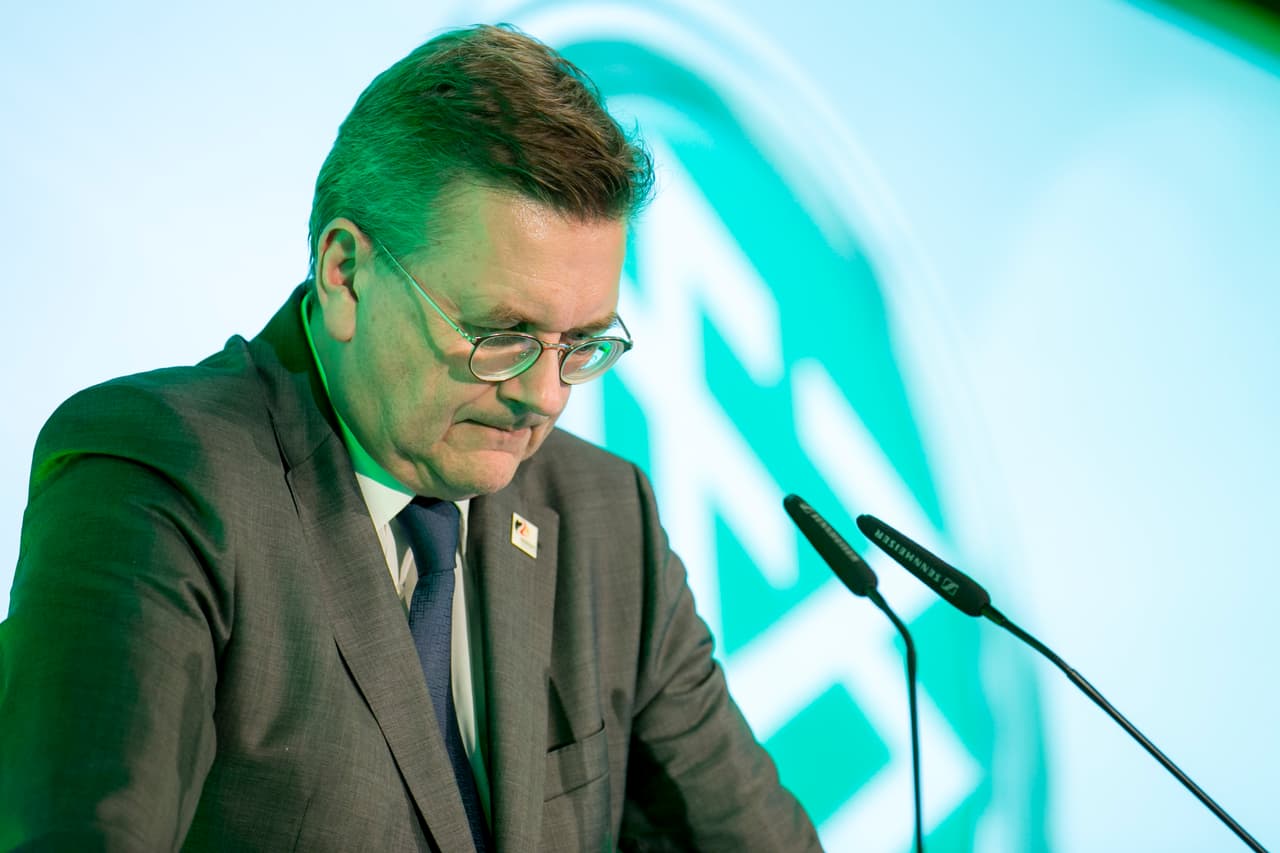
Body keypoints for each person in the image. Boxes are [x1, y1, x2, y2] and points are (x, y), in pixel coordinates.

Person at [0, 23, 821, 852]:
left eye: (583, 344)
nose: (541, 397)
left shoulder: (607, 518)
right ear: (346, 273)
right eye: (501, 334)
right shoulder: (159, 473)